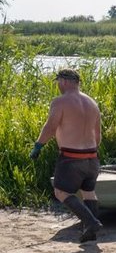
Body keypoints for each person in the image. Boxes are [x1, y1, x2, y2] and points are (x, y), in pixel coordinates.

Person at [30, 68, 103, 243]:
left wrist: (38, 146)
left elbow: (50, 127)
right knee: (89, 192)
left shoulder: (60, 102)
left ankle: (91, 222)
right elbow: (98, 135)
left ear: (63, 81)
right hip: (92, 157)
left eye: (58, 82)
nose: (58, 86)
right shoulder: (92, 103)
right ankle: (90, 232)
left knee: (61, 191)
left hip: (71, 157)